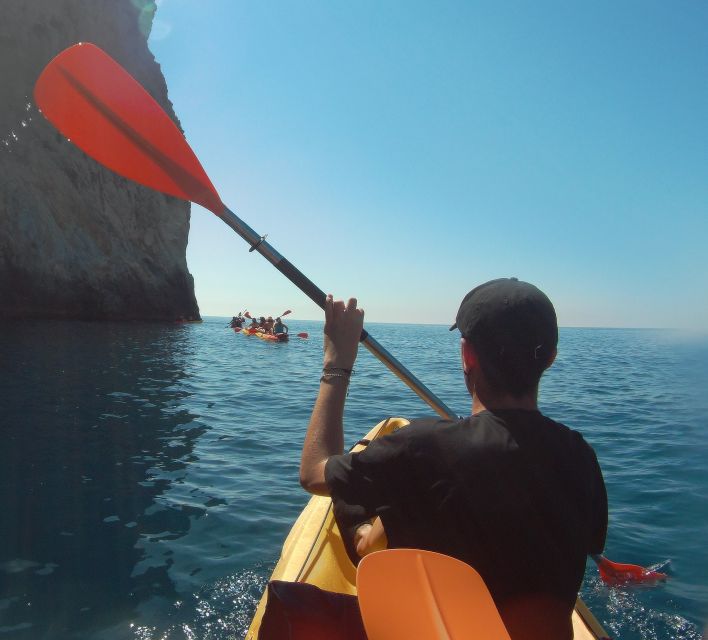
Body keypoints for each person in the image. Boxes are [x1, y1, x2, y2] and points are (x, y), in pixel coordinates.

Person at [299, 278, 607, 640]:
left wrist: (337, 365)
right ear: (551, 359)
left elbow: (313, 471)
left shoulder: (422, 448)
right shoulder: (580, 456)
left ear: (467, 355)